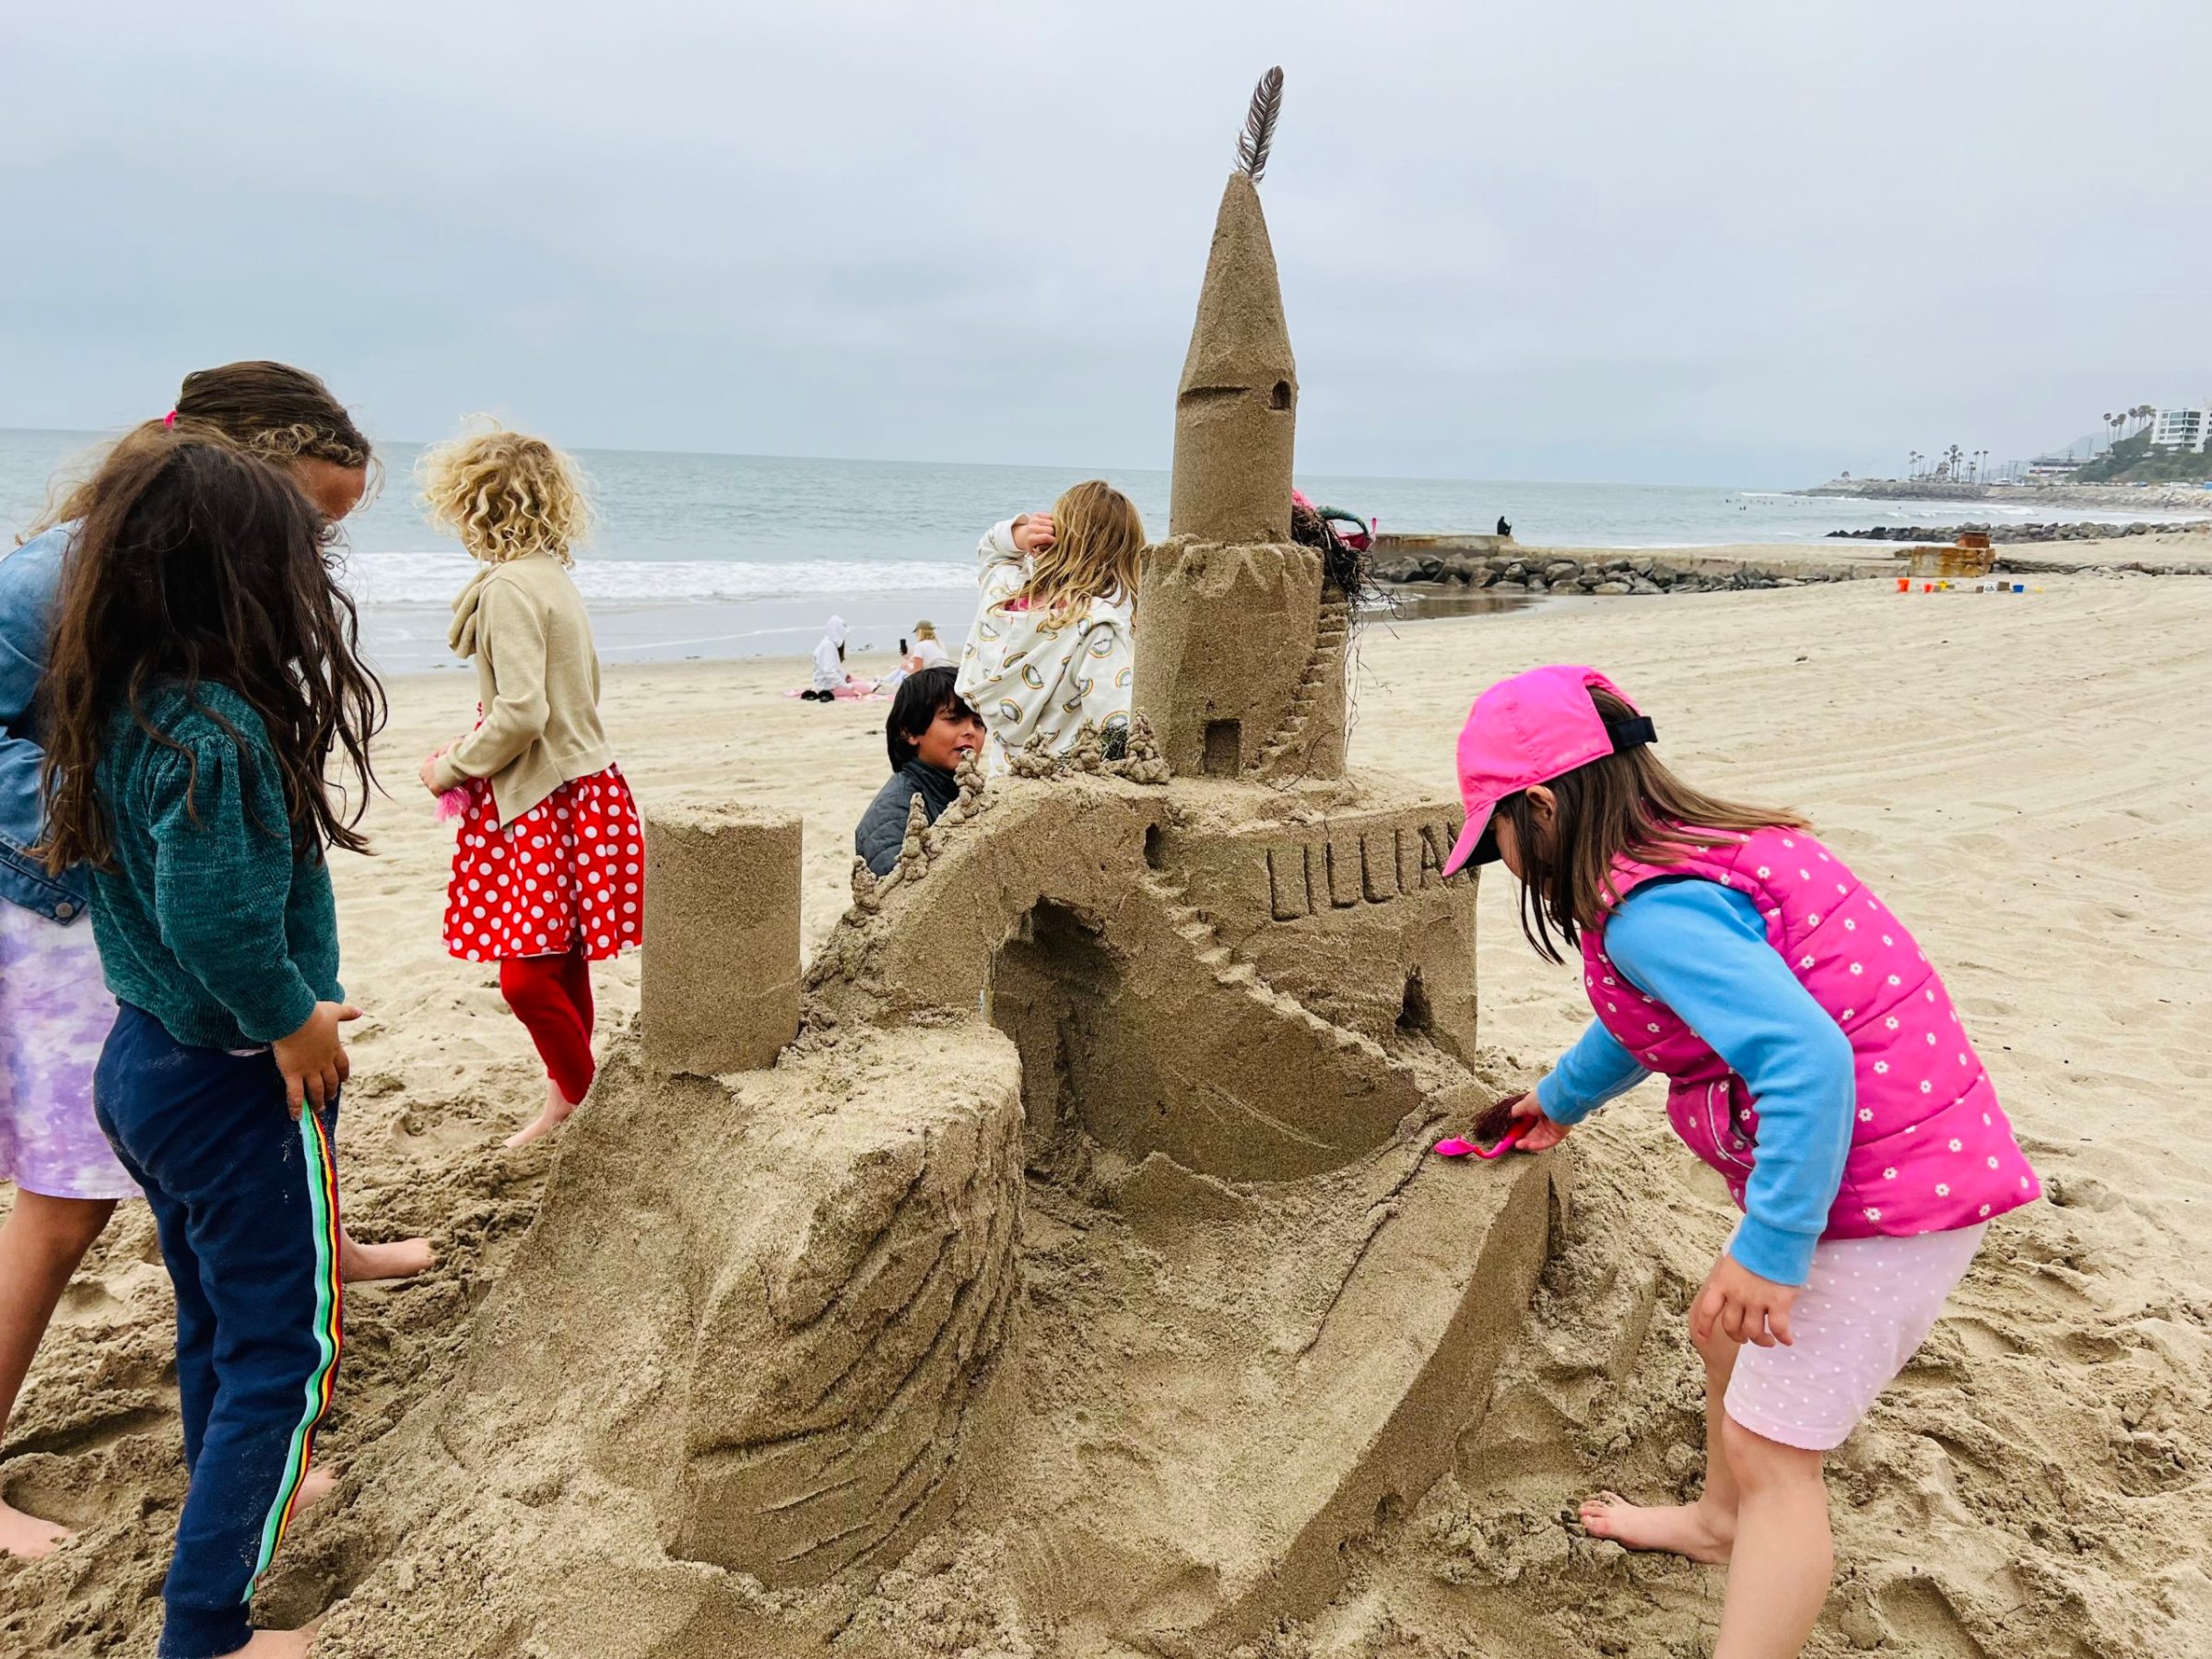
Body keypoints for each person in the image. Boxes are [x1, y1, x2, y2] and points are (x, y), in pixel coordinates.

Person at [1438, 665, 2040, 1659]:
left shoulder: (1654, 912)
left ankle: (1744, 1530)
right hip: (1897, 1156)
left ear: (1538, 807)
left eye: (1494, 841)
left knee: (1775, 1457)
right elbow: (1653, 1021)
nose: (1500, 862)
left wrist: (1771, 1247)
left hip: (1887, 1197)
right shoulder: (1698, 857)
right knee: (1723, 1331)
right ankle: (1717, 1525)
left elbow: (1807, 1057)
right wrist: (1555, 1101)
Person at [0, 365, 427, 1564]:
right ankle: (210, 1614)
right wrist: (289, 1011)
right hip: (157, 991)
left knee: (207, 1287)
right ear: (229, 530)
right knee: (130, 1254)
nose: (319, 566)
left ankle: (230, 1482)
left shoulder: (155, 683)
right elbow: (222, 924)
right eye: (309, 536)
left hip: (150, 1013)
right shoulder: (192, 722)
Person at [418, 427, 642, 1149]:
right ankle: (566, 1096)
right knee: (560, 957)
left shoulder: (512, 588)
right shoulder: (549, 575)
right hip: (588, 782)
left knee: (525, 978)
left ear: (470, 504)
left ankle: (587, 1100)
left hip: (548, 793)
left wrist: (450, 766)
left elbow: (522, 713)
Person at [956, 480, 1140, 766]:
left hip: (1002, 782)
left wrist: (1020, 534)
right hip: (1059, 788)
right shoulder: (1096, 624)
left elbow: (989, 547)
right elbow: (1114, 726)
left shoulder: (1000, 590)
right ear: (1121, 556)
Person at [853, 666, 986, 877]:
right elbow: (902, 895)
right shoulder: (893, 814)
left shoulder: (969, 795)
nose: (970, 730)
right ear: (909, 731)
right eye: (953, 718)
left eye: (978, 722)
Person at [805, 615, 851, 700]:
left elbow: (829, 668)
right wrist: (845, 685)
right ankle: (826, 693)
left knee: (857, 680)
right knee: (867, 687)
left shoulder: (826, 642)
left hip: (825, 683)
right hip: (829, 685)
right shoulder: (829, 646)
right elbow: (829, 671)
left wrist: (844, 675)